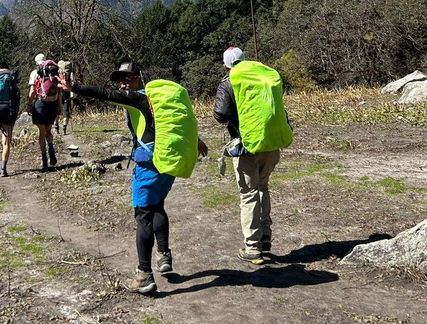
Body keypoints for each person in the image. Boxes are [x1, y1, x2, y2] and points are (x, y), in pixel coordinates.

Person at [59, 62, 207, 295]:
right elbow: (177, 124)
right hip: (168, 162)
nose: (123, 83)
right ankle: (164, 255)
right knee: (157, 207)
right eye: (120, 79)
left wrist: (74, 87)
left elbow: (104, 94)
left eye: (127, 78)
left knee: (144, 216)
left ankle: (144, 275)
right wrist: (196, 141)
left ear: (138, 78)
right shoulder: (159, 100)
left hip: (148, 165)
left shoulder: (138, 99)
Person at [214, 47, 292, 265]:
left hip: (246, 146)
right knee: (263, 188)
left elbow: (220, 114)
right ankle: (265, 235)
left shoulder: (229, 81)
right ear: (244, 60)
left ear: (225, 65)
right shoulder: (262, 76)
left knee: (248, 194)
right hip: (272, 143)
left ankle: (252, 248)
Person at [27, 59, 62, 169]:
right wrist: (59, 106)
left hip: (41, 104)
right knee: (48, 131)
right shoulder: (54, 71)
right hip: (53, 104)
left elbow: (33, 91)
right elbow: (59, 91)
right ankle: (51, 148)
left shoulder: (35, 72)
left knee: (42, 133)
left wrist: (29, 104)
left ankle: (44, 159)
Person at [54, 60, 73, 135]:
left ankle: (56, 127)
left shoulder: (57, 74)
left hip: (59, 94)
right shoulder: (70, 74)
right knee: (66, 112)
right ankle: (64, 128)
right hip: (67, 95)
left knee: (57, 112)